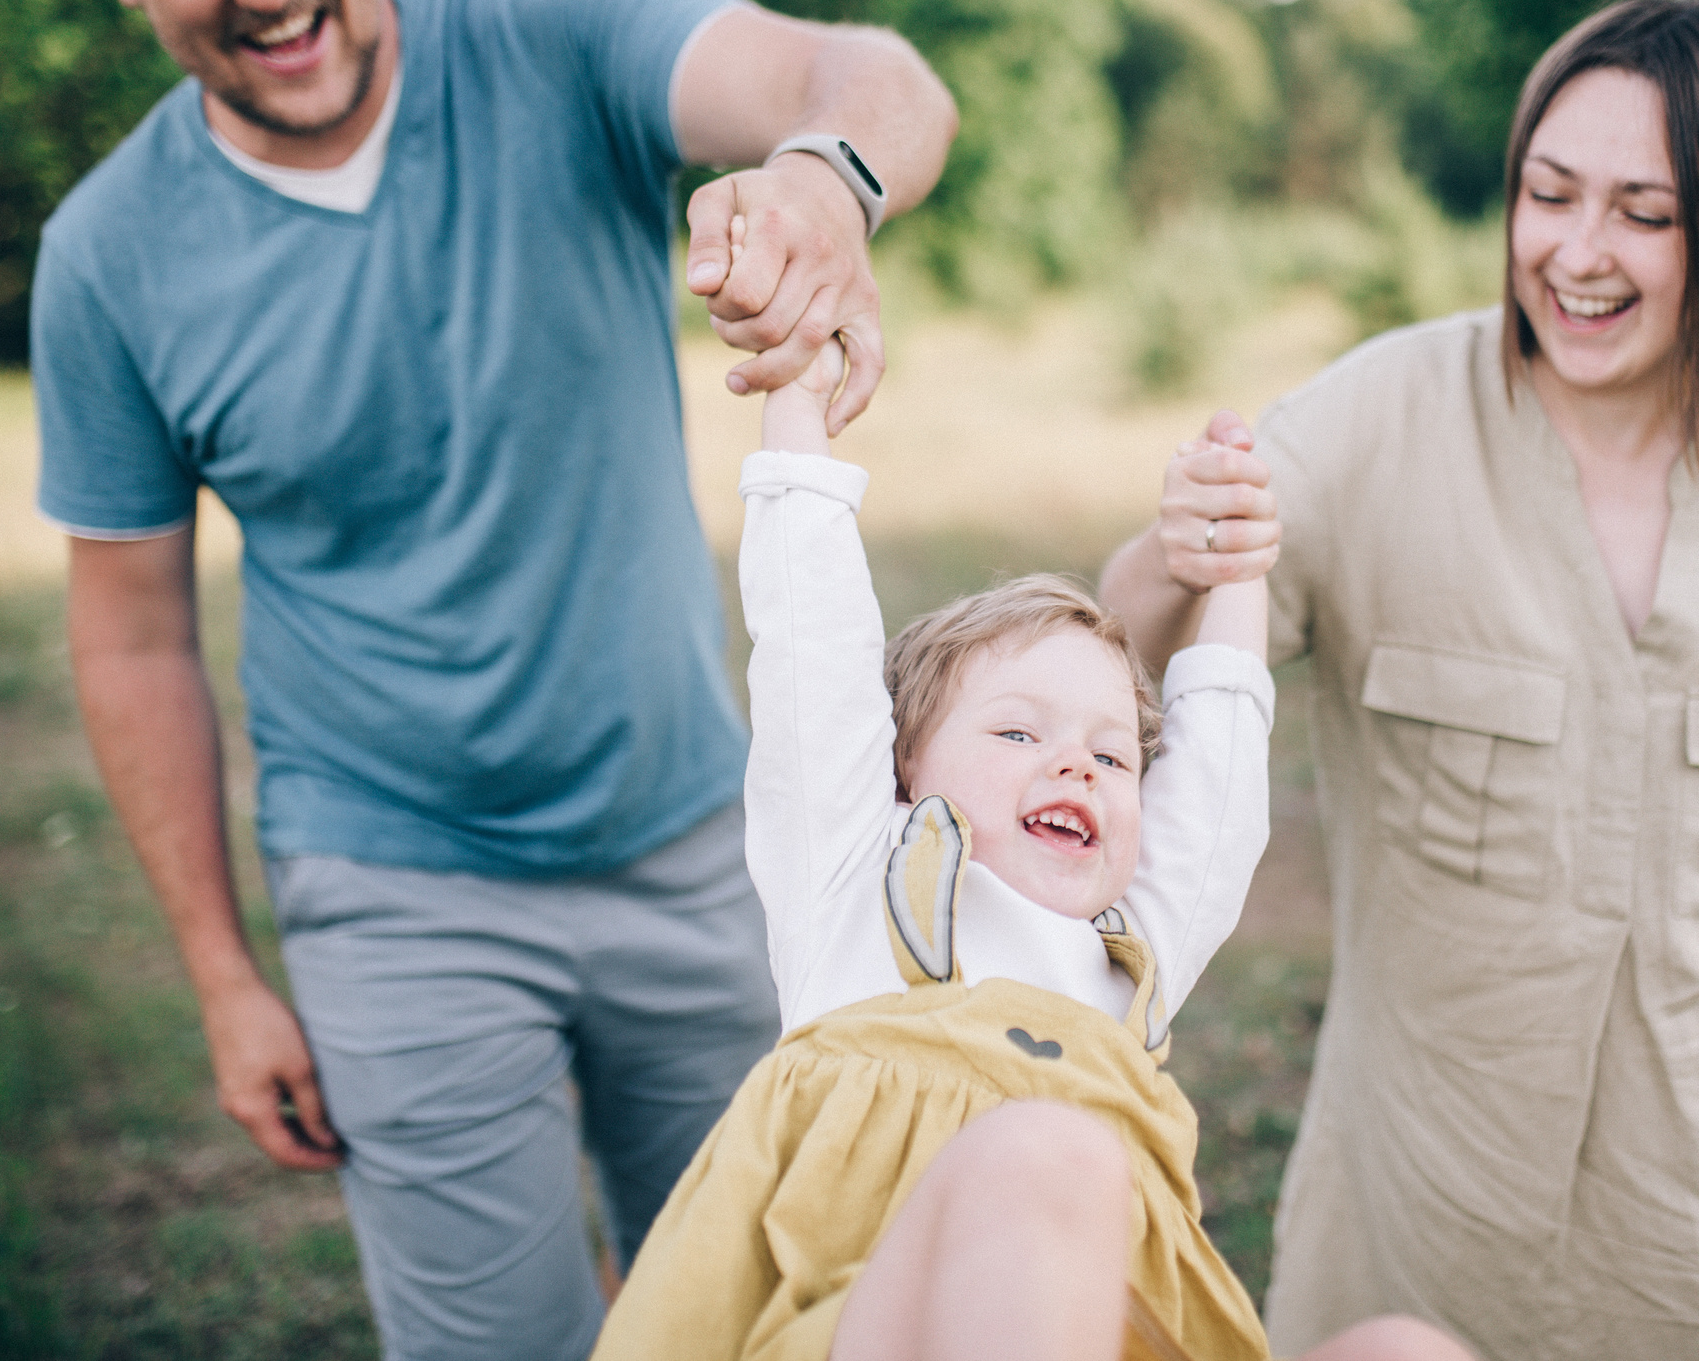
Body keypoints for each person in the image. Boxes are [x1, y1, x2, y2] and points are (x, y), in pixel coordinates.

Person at [32, 0, 956, 1361]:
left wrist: (822, 178)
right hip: (392, 885)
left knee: (777, 1317)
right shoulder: (108, 258)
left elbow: (867, 74)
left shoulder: (558, 33)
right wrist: (227, 977)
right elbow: (133, 629)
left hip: (694, 836)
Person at [1100, 0, 1699, 1360]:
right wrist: (1168, 553)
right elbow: (1127, 662)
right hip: (1430, 1157)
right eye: (1549, 193)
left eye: (1644, 214)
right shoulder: (1371, 420)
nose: (1576, 254)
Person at [591, 337, 1467, 1361]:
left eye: (1111, 753)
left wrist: (1238, 564)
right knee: (1051, 1150)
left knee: (1408, 1350)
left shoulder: (1128, 953)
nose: (1078, 766)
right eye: (1017, 732)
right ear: (902, 765)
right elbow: (809, 639)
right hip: (872, 1321)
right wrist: (796, 390)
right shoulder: (852, 885)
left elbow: (1220, 776)